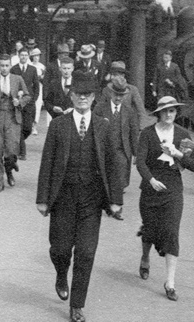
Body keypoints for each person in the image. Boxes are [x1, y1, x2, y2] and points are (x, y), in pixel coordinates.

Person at [36, 70, 124, 322]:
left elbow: (112, 164)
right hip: (63, 196)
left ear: (94, 97)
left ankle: (77, 305)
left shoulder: (103, 126)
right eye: (78, 94)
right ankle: (61, 272)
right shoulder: (58, 125)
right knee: (60, 249)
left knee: (86, 252)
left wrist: (116, 199)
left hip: (91, 199)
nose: (82, 99)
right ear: (71, 96)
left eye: (87, 95)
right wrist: (42, 198)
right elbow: (47, 163)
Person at [136, 96, 194, 302]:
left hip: (173, 188)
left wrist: (178, 154)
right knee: (150, 229)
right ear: (158, 114)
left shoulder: (182, 135)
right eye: (165, 111)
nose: (169, 114)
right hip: (151, 188)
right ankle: (145, 258)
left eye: (172, 111)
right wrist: (151, 180)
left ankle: (170, 283)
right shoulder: (147, 134)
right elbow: (141, 163)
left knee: (171, 232)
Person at [0, 54, 31, 191]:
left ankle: (9, 169)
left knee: (12, 149)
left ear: (10, 66)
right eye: (2, 65)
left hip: (12, 117)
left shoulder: (18, 79)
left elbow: (27, 96)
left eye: (6, 65)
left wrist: (19, 102)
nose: (4, 68)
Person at [93, 79, 141, 198]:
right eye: (116, 95)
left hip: (122, 151)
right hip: (103, 150)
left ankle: (116, 207)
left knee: (119, 179)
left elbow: (134, 133)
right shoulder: (100, 108)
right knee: (103, 178)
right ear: (110, 93)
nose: (118, 98)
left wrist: (136, 153)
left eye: (122, 95)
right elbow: (92, 129)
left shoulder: (129, 111)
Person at [10, 48, 39, 160]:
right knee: (19, 126)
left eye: (25, 55)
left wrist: (34, 99)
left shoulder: (32, 69)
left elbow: (36, 85)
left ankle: (19, 143)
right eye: (21, 55)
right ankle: (22, 152)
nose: (23, 57)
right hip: (18, 102)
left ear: (28, 56)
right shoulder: (14, 69)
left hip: (30, 102)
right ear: (18, 55)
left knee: (27, 128)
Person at [30, 47, 47, 134]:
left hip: (39, 88)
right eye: (34, 56)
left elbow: (45, 80)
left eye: (38, 56)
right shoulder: (29, 65)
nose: (36, 58)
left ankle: (34, 126)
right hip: (30, 88)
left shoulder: (42, 67)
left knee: (37, 106)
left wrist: (41, 79)